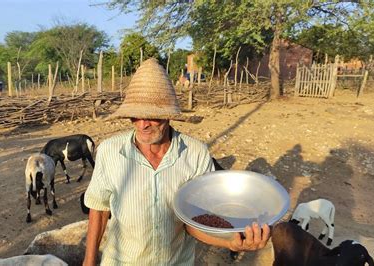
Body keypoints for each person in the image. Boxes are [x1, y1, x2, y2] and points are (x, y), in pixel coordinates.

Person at [83, 58, 270, 265]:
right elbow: (99, 209)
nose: (143, 124)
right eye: (135, 116)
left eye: (153, 116)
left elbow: (194, 224)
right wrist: (89, 261)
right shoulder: (110, 151)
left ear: (169, 116)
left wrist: (230, 244)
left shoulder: (195, 153)